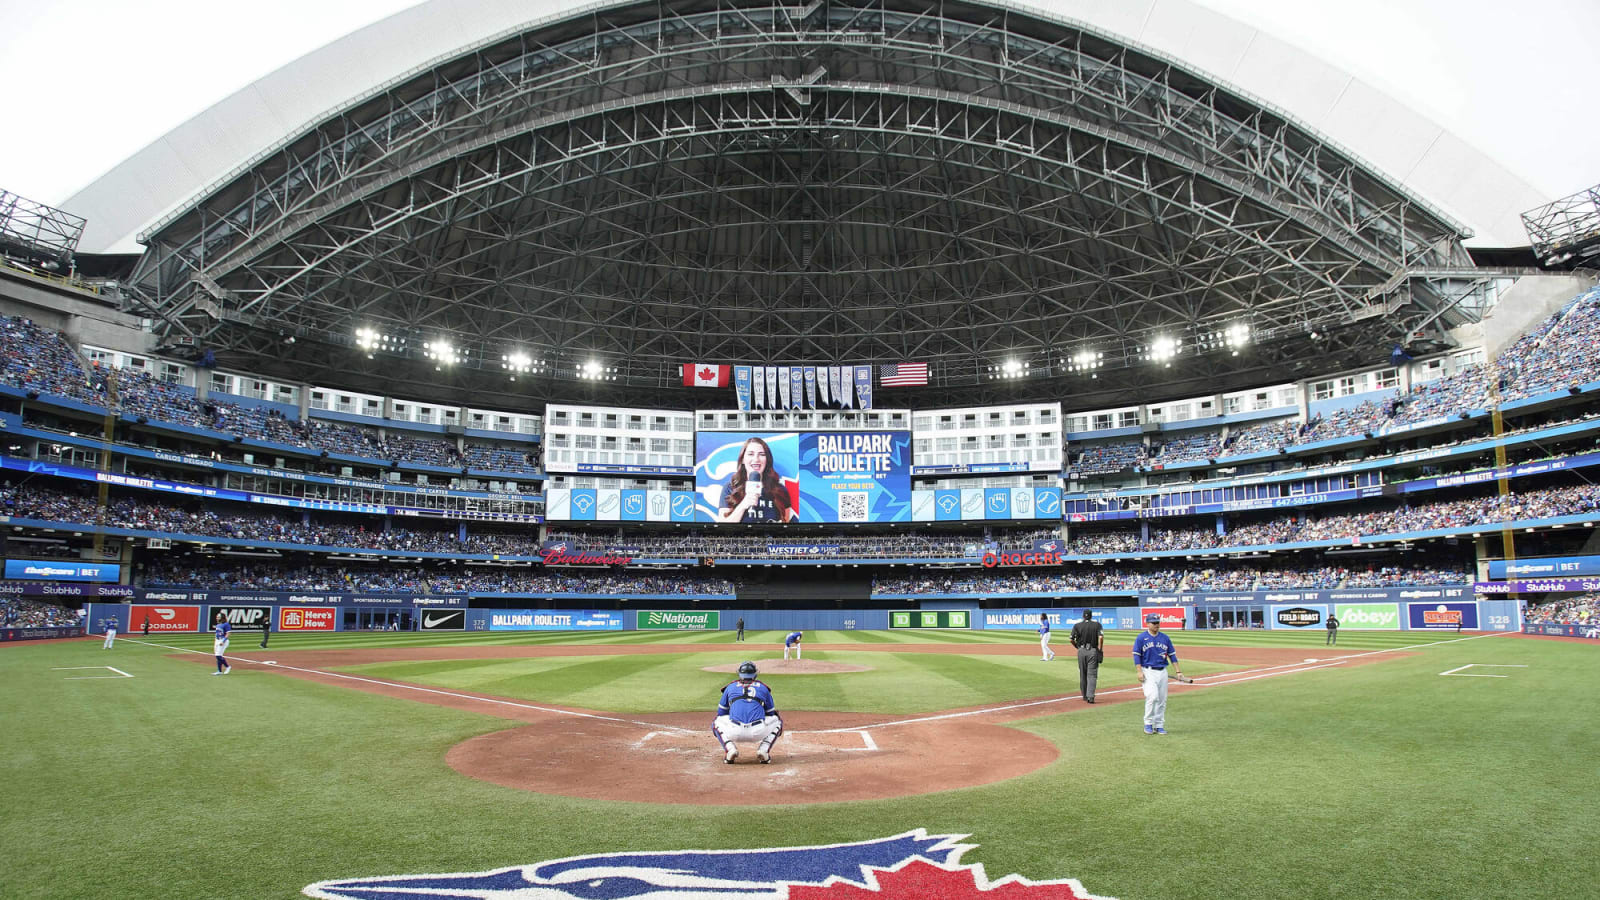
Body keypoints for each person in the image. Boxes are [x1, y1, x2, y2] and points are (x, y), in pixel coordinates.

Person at [712, 661, 783, 764]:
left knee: (716, 721)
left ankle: (730, 749)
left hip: (734, 731)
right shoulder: (763, 687)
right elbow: (771, 713)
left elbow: (721, 712)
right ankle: (764, 750)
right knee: (778, 721)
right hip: (758, 732)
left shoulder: (730, 687)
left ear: (740, 673)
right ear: (755, 674)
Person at [715, 437, 796, 523]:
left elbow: (786, 524)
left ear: (767, 460)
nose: (756, 459)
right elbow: (723, 526)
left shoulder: (779, 489)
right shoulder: (730, 488)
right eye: (751, 454)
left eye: (761, 454)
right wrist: (743, 505)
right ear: (742, 459)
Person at [1132, 613, 1184, 735]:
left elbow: (1172, 656)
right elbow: (1136, 655)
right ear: (1148, 624)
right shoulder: (1141, 638)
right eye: (1154, 623)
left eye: (1158, 623)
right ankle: (1148, 723)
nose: (1156, 625)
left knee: (1162, 700)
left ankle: (1159, 725)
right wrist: (1139, 671)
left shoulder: (1165, 638)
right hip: (1148, 671)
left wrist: (1178, 671)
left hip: (1162, 671)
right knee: (1152, 696)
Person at [1070, 610, 1105, 703]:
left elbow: (1071, 639)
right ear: (1091, 616)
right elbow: (1101, 637)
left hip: (1081, 651)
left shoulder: (1077, 625)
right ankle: (1090, 697)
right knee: (1092, 675)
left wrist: (1078, 647)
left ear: (1083, 616)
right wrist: (1100, 649)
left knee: (1083, 674)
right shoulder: (1097, 625)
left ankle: (1084, 695)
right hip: (1092, 650)